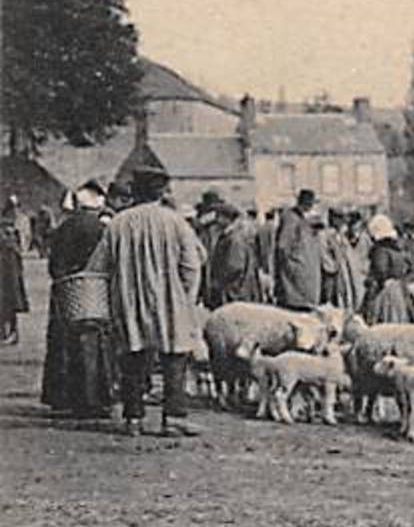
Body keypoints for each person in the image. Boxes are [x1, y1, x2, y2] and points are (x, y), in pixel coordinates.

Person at [84, 154, 206, 437]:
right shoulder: (175, 223)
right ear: (160, 193)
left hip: (128, 300)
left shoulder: (117, 224)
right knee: (174, 356)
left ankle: (133, 418)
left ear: (134, 193)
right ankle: (173, 417)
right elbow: (192, 265)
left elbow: (97, 267)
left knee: (132, 357)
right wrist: (186, 297)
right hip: (170, 300)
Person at [40, 181, 116, 417]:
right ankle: (94, 399)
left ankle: (63, 396)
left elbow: (54, 265)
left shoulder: (64, 228)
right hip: (96, 290)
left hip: (66, 290)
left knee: (64, 343)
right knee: (95, 343)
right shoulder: (103, 228)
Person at [359, 214, 414, 324]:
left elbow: (381, 272)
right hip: (399, 289)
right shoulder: (397, 249)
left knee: (381, 321)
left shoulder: (380, 250)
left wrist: (369, 282)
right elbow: (409, 267)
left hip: (385, 292)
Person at [204, 202, 265, 308]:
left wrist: (218, 284)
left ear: (227, 218)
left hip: (235, 294)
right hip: (233, 292)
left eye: (219, 215)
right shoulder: (228, 236)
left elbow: (234, 267)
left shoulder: (234, 239)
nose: (217, 219)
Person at [274, 189, 323, 312]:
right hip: (295, 280)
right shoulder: (291, 218)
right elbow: (283, 246)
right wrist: (292, 267)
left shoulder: (302, 219)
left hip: (305, 277)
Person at [0, 196, 27, 345]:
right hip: (8, 272)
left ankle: (10, 333)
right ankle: (7, 333)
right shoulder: (9, 228)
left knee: (8, 303)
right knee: (7, 303)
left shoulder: (9, 230)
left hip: (8, 273)